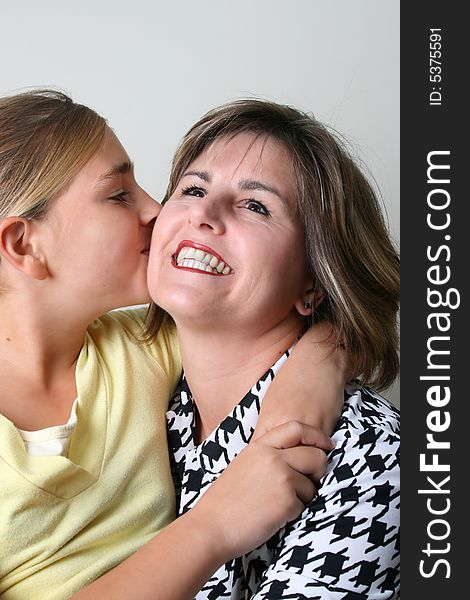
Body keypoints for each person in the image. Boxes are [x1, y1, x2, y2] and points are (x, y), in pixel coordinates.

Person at [0, 90, 349, 600]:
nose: (156, 209)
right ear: (24, 245)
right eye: (118, 194)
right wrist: (212, 527)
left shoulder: (140, 348)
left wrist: (316, 365)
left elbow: (282, 312)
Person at [138, 99, 399, 598]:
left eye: (256, 205)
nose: (203, 214)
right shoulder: (133, 393)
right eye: (192, 188)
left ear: (316, 283)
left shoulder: (370, 457)